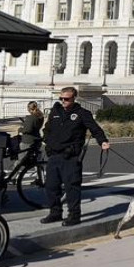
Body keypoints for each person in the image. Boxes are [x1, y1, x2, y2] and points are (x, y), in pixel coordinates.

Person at [41, 87, 110, 226]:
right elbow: (47, 129)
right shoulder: (55, 112)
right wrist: (47, 141)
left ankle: (74, 215)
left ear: (74, 98)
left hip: (70, 157)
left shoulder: (82, 113)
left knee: (71, 187)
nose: (63, 101)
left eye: (66, 99)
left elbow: (95, 129)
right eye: (61, 98)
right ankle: (55, 213)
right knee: (51, 186)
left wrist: (102, 141)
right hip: (54, 155)